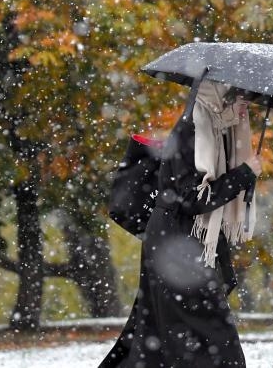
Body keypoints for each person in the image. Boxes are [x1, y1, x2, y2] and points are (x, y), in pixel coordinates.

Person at [99, 80, 262, 368]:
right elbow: (190, 199)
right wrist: (244, 174)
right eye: (242, 104)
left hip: (182, 242)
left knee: (163, 341)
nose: (244, 112)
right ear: (223, 98)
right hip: (176, 245)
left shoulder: (213, 130)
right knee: (209, 343)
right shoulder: (193, 129)